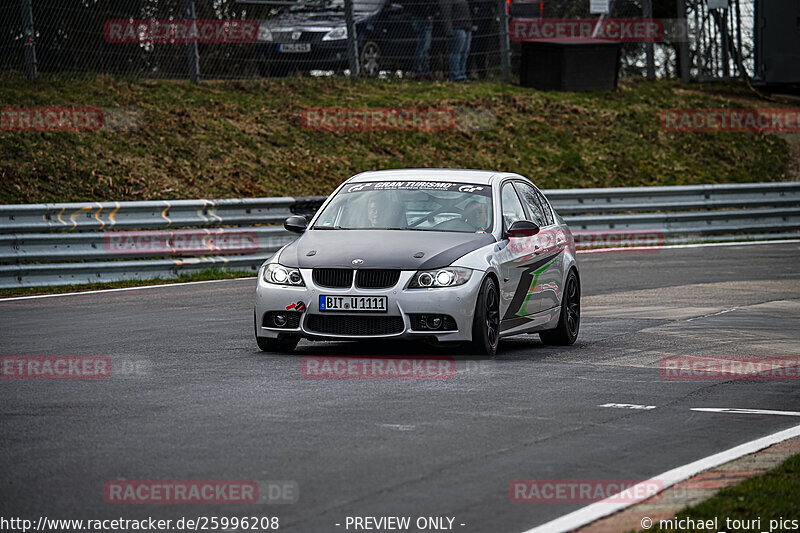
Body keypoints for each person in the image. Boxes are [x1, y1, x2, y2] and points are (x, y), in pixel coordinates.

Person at [439, 0, 472, 81]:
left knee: (465, 51)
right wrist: (449, 30)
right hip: (457, 27)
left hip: (466, 26)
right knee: (456, 52)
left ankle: (462, 73)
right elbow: (446, 14)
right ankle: (455, 74)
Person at [404, 0, 437, 79]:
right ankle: (420, 70)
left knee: (424, 45)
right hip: (423, 17)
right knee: (423, 45)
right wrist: (428, 13)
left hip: (423, 16)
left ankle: (424, 70)